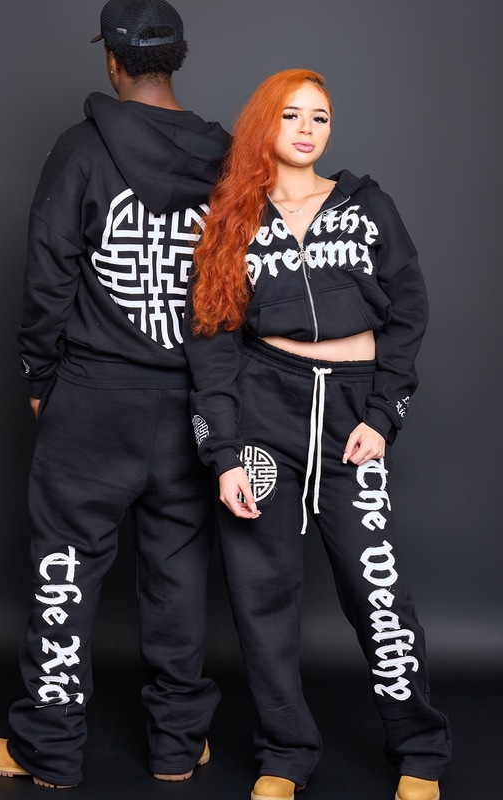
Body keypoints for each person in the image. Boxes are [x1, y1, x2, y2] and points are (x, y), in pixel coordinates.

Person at [0, 0, 229, 789]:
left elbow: (48, 270)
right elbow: (245, 283)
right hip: (192, 400)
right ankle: (178, 743)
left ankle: (50, 749)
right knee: (178, 573)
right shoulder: (228, 159)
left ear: (112, 61)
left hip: (92, 397)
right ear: (177, 57)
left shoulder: (81, 150)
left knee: (65, 565)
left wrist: (39, 375)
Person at [183, 69, 451, 800]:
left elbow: (409, 313)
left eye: (320, 117)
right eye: (292, 115)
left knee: (376, 592)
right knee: (261, 594)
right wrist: (225, 453)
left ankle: (420, 749)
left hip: (353, 414)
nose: (307, 129)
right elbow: (212, 340)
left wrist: (382, 415)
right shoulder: (232, 216)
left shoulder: (367, 206)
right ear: (263, 123)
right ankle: (284, 754)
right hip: (264, 409)